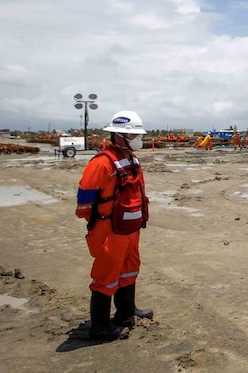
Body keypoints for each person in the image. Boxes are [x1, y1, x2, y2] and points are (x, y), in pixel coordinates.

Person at [75, 110, 153, 341]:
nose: (138, 139)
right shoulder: (102, 163)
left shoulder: (132, 158)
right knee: (106, 275)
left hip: (130, 229)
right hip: (109, 230)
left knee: (130, 269)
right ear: (118, 136)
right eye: (133, 135)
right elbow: (84, 203)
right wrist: (101, 221)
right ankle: (100, 326)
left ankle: (126, 313)